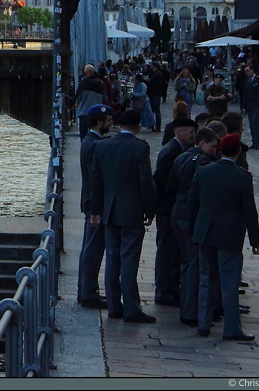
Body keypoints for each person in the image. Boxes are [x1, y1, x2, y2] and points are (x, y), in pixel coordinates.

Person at [188, 133, 259, 341]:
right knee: (229, 282)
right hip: (230, 235)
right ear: (238, 151)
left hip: (205, 233)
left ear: (219, 150)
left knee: (205, 279)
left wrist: (195, 232)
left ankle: (203, 324)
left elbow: (193, 205)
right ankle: (231, 328)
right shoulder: (243, 177)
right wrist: (255, 241)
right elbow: (249, 211)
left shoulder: (203, 172)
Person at [90, 109, 158, 323]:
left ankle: (113, 306)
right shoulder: (139, 148)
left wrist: (96, 211)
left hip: (110, 211)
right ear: (137, 126)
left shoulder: (102, 145)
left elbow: (96, 182)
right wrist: (150, 209)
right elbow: (145, 183)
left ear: (119, 125)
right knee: (129, 260)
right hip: (132, 211)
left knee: (112, 259)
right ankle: (131, 307)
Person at [168, 127, 220, 326]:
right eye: (212, 146)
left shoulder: (181, 158)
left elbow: (171, 186)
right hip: (191, 215)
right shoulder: (204, 162)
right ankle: (190, 310)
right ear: (202, 143)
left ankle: (187, 306)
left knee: (186, 262)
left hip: (177, 212)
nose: (214, 150)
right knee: (194, 263)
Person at [154, 121, 195, 306]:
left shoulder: (176, 149)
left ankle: (171, 287)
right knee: (167, 251)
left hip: (170, 209)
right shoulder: (171, 152)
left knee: (173, 252)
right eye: (191, 132)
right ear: (180, 132)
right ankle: (164, 290)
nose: (194, 135)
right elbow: (162, 181)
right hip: (167, 209)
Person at [78, 104, 113, 309]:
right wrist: (96, 211)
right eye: (108, 119)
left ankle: (85, 289)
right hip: (95, 205)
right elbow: (95, 180)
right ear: (99, 121)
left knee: (89, 248)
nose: (111, 122)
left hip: (91, 203)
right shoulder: (95, 145)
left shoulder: (88, 141)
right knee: (93, 249)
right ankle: (89, 292)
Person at [75, 65, 108, 139]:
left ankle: (85, 149)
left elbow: (78, 97)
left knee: (83, 136)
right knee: (96, 135)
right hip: (97, 113)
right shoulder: (101, 83)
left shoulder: (83, 83)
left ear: (85, 72)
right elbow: (105, 97)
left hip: (84, 112)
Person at [240, 65, 259, 149]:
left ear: (252, 70)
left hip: (256, 105)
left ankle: (256, 142)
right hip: (249, 106)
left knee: (255, 123)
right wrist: (243, 107)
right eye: (245, 71)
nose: (247, 73)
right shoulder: (246, 81)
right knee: (251, 125)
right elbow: (244, 95)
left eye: (248, 70)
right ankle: (254, 141)